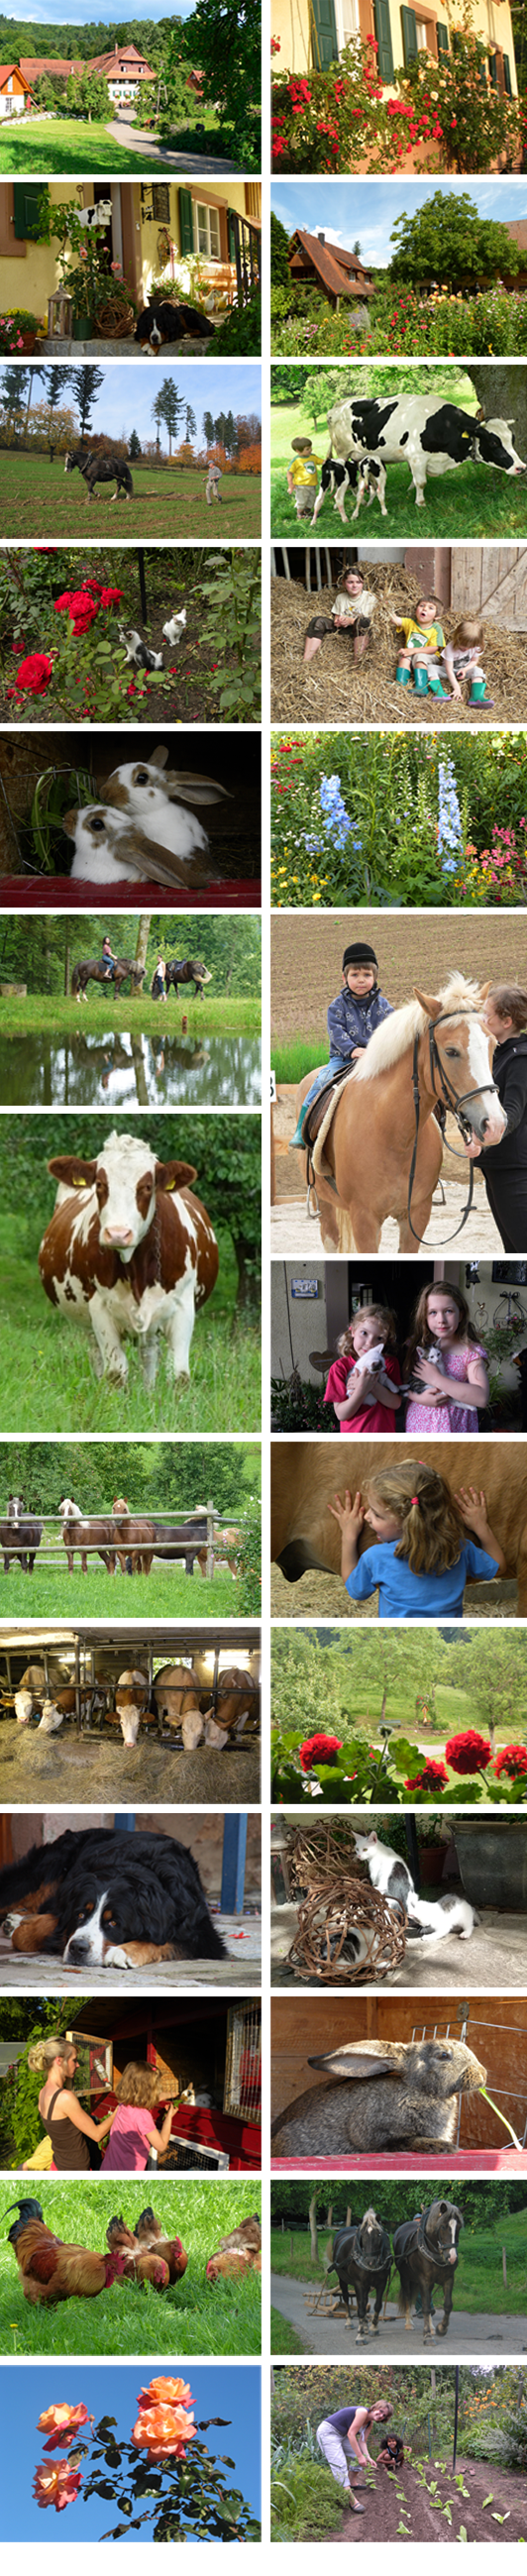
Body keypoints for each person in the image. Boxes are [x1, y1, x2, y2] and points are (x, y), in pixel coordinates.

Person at [328, 1456, 505, 1620]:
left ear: (407, 1521)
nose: (367, 1517)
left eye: (377, 1515)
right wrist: (482, 1527)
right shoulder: (459, 1548)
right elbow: (498, 1568)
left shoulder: (375, 1557)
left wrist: (348, 1537)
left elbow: (356, 1590)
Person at [290, 939, 393, 1148]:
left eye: (367, 975)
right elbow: (336, 1033)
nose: (361, 980)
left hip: (375, 1058)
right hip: (343, 1058)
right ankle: (302, 1128)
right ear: (345, 978)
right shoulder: (336, 1006)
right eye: (355, 975)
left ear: (375, 977)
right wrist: (353, 1050)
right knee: (322, 1080)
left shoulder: (383, 1006)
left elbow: (392, 1028)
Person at [479, 986, 527, 1254]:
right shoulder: (499, 1054)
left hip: (514, 1169)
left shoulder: (521, 1059)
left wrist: (484, 1139)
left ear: (507, 1022)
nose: (482, 1020)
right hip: (498, 1166)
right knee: (512, 1247)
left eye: (487, 1015)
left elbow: (513, 1112)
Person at [404, 1283, 489, 1434]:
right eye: (433, 1312)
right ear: (424, 1316)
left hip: (456, 1428)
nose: (441, 1319)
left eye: (448, 1311)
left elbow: (481, 1398)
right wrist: (418, 1398)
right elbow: (400, 1385)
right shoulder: (417, 1346)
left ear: (460, 1315)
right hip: (420, 1427)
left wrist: (437, 1379)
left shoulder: (470, 1352)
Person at [27, 2035, 117, 2172]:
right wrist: (119, 2110)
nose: (78, 2065)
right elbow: (97, 2135)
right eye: (74, 2060)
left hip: (59, 2165)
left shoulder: (43, 2093)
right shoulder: (65, 2098)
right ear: (59, 2060)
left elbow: (64, 2130)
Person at [325, 1303, 401, 1434]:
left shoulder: (389, 1363)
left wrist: (372, 1385)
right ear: (353, 1331)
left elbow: (396, 1403)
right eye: (364, 1333)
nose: (370, 1343)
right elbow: (341, 1414)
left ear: (386, 1341)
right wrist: (361, 1390)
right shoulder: (339, 1368)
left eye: (379, 1338)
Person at [316, 2401, 393, 2512]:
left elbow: (362, 2442)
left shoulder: (369, 2423)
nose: (381, 2415)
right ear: (375, 2407)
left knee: (356, 2456)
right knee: (340, 2464)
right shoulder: (362, 2412)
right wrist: (360, 2456)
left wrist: (367, 2457)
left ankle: (352, 2483)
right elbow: (351, 2434)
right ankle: (351, 2500)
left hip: (342, 2435)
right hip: (328, 2432)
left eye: (384, 2415)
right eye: (381, 2411)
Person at [101, 2062, 175, 2172]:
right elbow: (161, 2146)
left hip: (109, 2168)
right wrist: (169, 2117)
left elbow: (152, 2098)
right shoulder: (142, 2116)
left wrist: (172, 2094)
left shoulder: (123, 2105)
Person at [303, 566, 376, 667]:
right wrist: (338, 622)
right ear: (343, 583)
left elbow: (371, 621)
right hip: (343, 629)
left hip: (360, 631)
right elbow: (336, 618)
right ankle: (306, 661)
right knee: (317, 621)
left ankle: (357, 664)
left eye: (358, 582)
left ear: (362, 583)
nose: (354, 585)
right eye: (350, 582)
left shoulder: (370, 597)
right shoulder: (340, 597)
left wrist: (350, 621)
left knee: (362, 622)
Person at [388, 593, 447, 698]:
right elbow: (396, 620)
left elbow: (434, 648)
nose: (424, 609)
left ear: (436, 617)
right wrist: (387, 608)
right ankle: (401, 683)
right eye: (422, 606)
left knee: (419, 657)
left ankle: (421, 687)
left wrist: (413, 651)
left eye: (430, 608)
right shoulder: (410, 623)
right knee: (404, 658)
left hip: (430, 656)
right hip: (411, 653)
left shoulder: (436, 629)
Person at [438, 617, 493, 711]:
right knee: (431, 669)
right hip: (447, 672)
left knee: (478, 671)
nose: (467, 649)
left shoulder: (477, 647)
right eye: (463, 646)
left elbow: (474, 661)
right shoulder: (450, 648)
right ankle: (439, 693)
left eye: (470, 646)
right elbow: (448, 670)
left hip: (462, 670)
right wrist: (456, 688)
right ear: (457, 638)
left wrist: (465, 669)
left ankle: (476, 698)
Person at [287, 436, 322, 521]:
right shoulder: (296, 461)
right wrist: (291, 485)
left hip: (312, 485)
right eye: (307, 449)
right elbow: (289, 473)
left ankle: (307, 512)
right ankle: (300, 514)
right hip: (301, 486)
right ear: (298, 451)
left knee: (311, 500)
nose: (310, 450)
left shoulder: (313, 457)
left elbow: (322, 461)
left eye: (310, 448)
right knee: (302, 501)